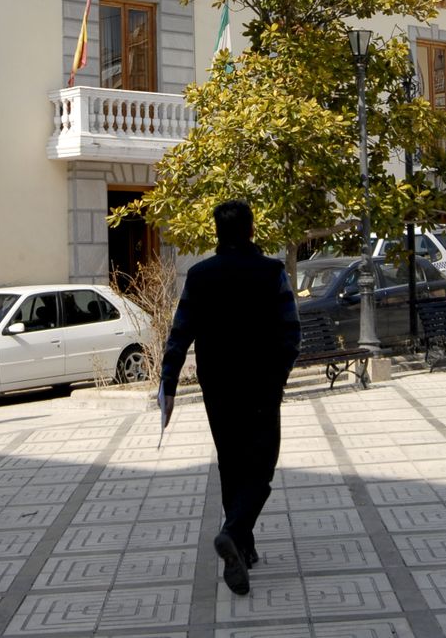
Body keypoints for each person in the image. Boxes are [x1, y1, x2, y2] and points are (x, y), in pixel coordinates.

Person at [160, 200, 300, 597]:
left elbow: (180, 331)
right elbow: (291, 331)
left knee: (230, 464)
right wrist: (280, 375)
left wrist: (168, 384)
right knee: (261, 469)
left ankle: (243, 547)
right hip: (262, 384)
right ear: (252, 231)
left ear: (217, 234)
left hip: (217, 385)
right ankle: (234, 533)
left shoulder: (200, 275)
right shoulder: (271, 272)